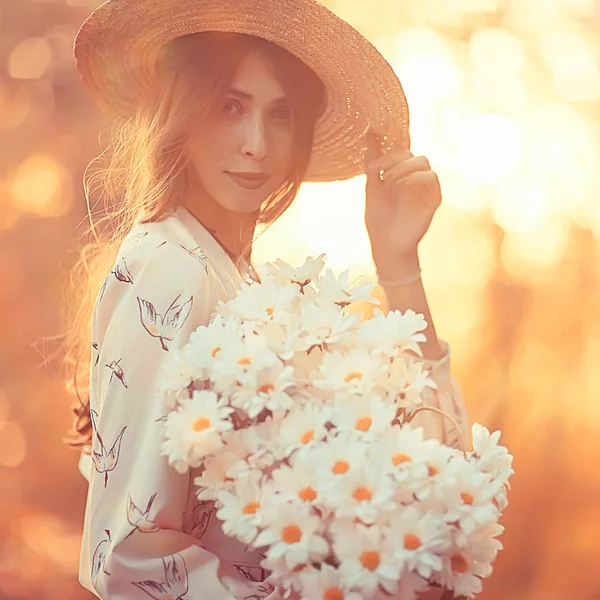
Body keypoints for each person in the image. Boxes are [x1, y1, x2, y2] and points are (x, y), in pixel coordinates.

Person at [63, 0, 470, 598]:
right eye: (231, 106)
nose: (256, 143)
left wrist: (397, 263)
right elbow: (127, 559)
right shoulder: (172, 268)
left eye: (280, 114)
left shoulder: (251, 289)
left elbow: (439, 470)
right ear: (183, 111)